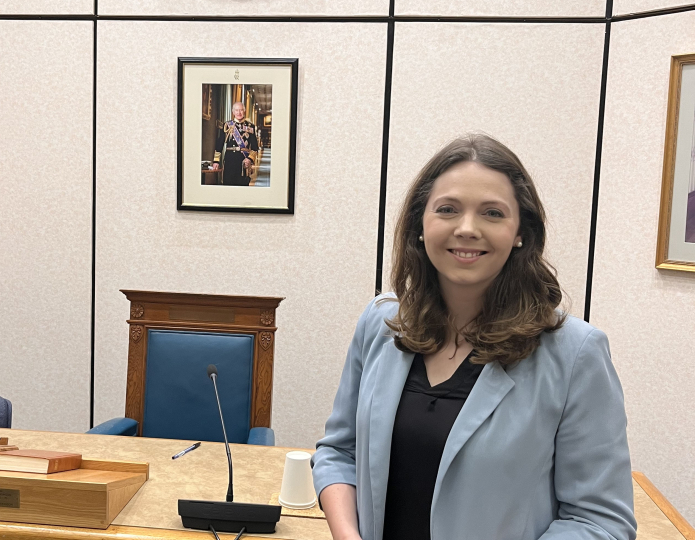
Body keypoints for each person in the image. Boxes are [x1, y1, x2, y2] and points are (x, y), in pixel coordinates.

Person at [311, 134, 637, 540]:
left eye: (492, 213)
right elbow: (340, 453)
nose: (467, 229)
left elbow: (600, 520)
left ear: (521, 232)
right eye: (447, 209)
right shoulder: (381, 321)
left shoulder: (575, 353)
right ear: (420, 224)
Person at [211, 101, 258, 186]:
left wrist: (250, 159)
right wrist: (216, 161)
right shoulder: (227, 125)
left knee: (242, 186)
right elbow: (219, 144)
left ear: (244, 111)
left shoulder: (251, 127)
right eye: (237, 110)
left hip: (243, 161)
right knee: (228, 185)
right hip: (230, 160)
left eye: (241, 110)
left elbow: (255, 147)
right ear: (233, 112)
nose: (239, 112)